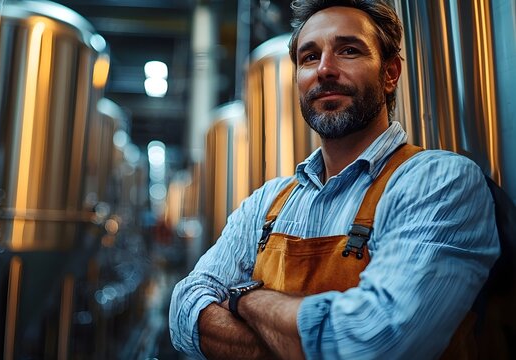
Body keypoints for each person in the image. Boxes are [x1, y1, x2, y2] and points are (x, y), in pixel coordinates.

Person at [169, 0, 500, 359]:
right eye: (310, 57)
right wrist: (295, 344)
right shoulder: (267, 202)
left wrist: (246, 297)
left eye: (348, 50)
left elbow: (371, 342)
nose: (325, 69)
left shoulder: (436, 181)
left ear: (390, 73)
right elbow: (184, 312)